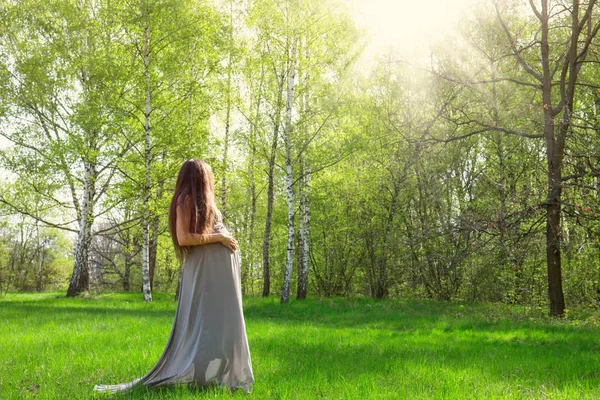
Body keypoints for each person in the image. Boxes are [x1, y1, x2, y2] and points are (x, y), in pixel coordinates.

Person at [94, 160, 254, 394]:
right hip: (205, 271)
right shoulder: (185, 200)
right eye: (208, 174)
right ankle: (200, 377)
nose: (211, 179)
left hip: (220, 273)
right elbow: (184, 238)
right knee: (203, 321)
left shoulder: (203, 201)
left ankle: (221, 376)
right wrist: (219, 239)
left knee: (222, 323)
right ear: (199, 177)